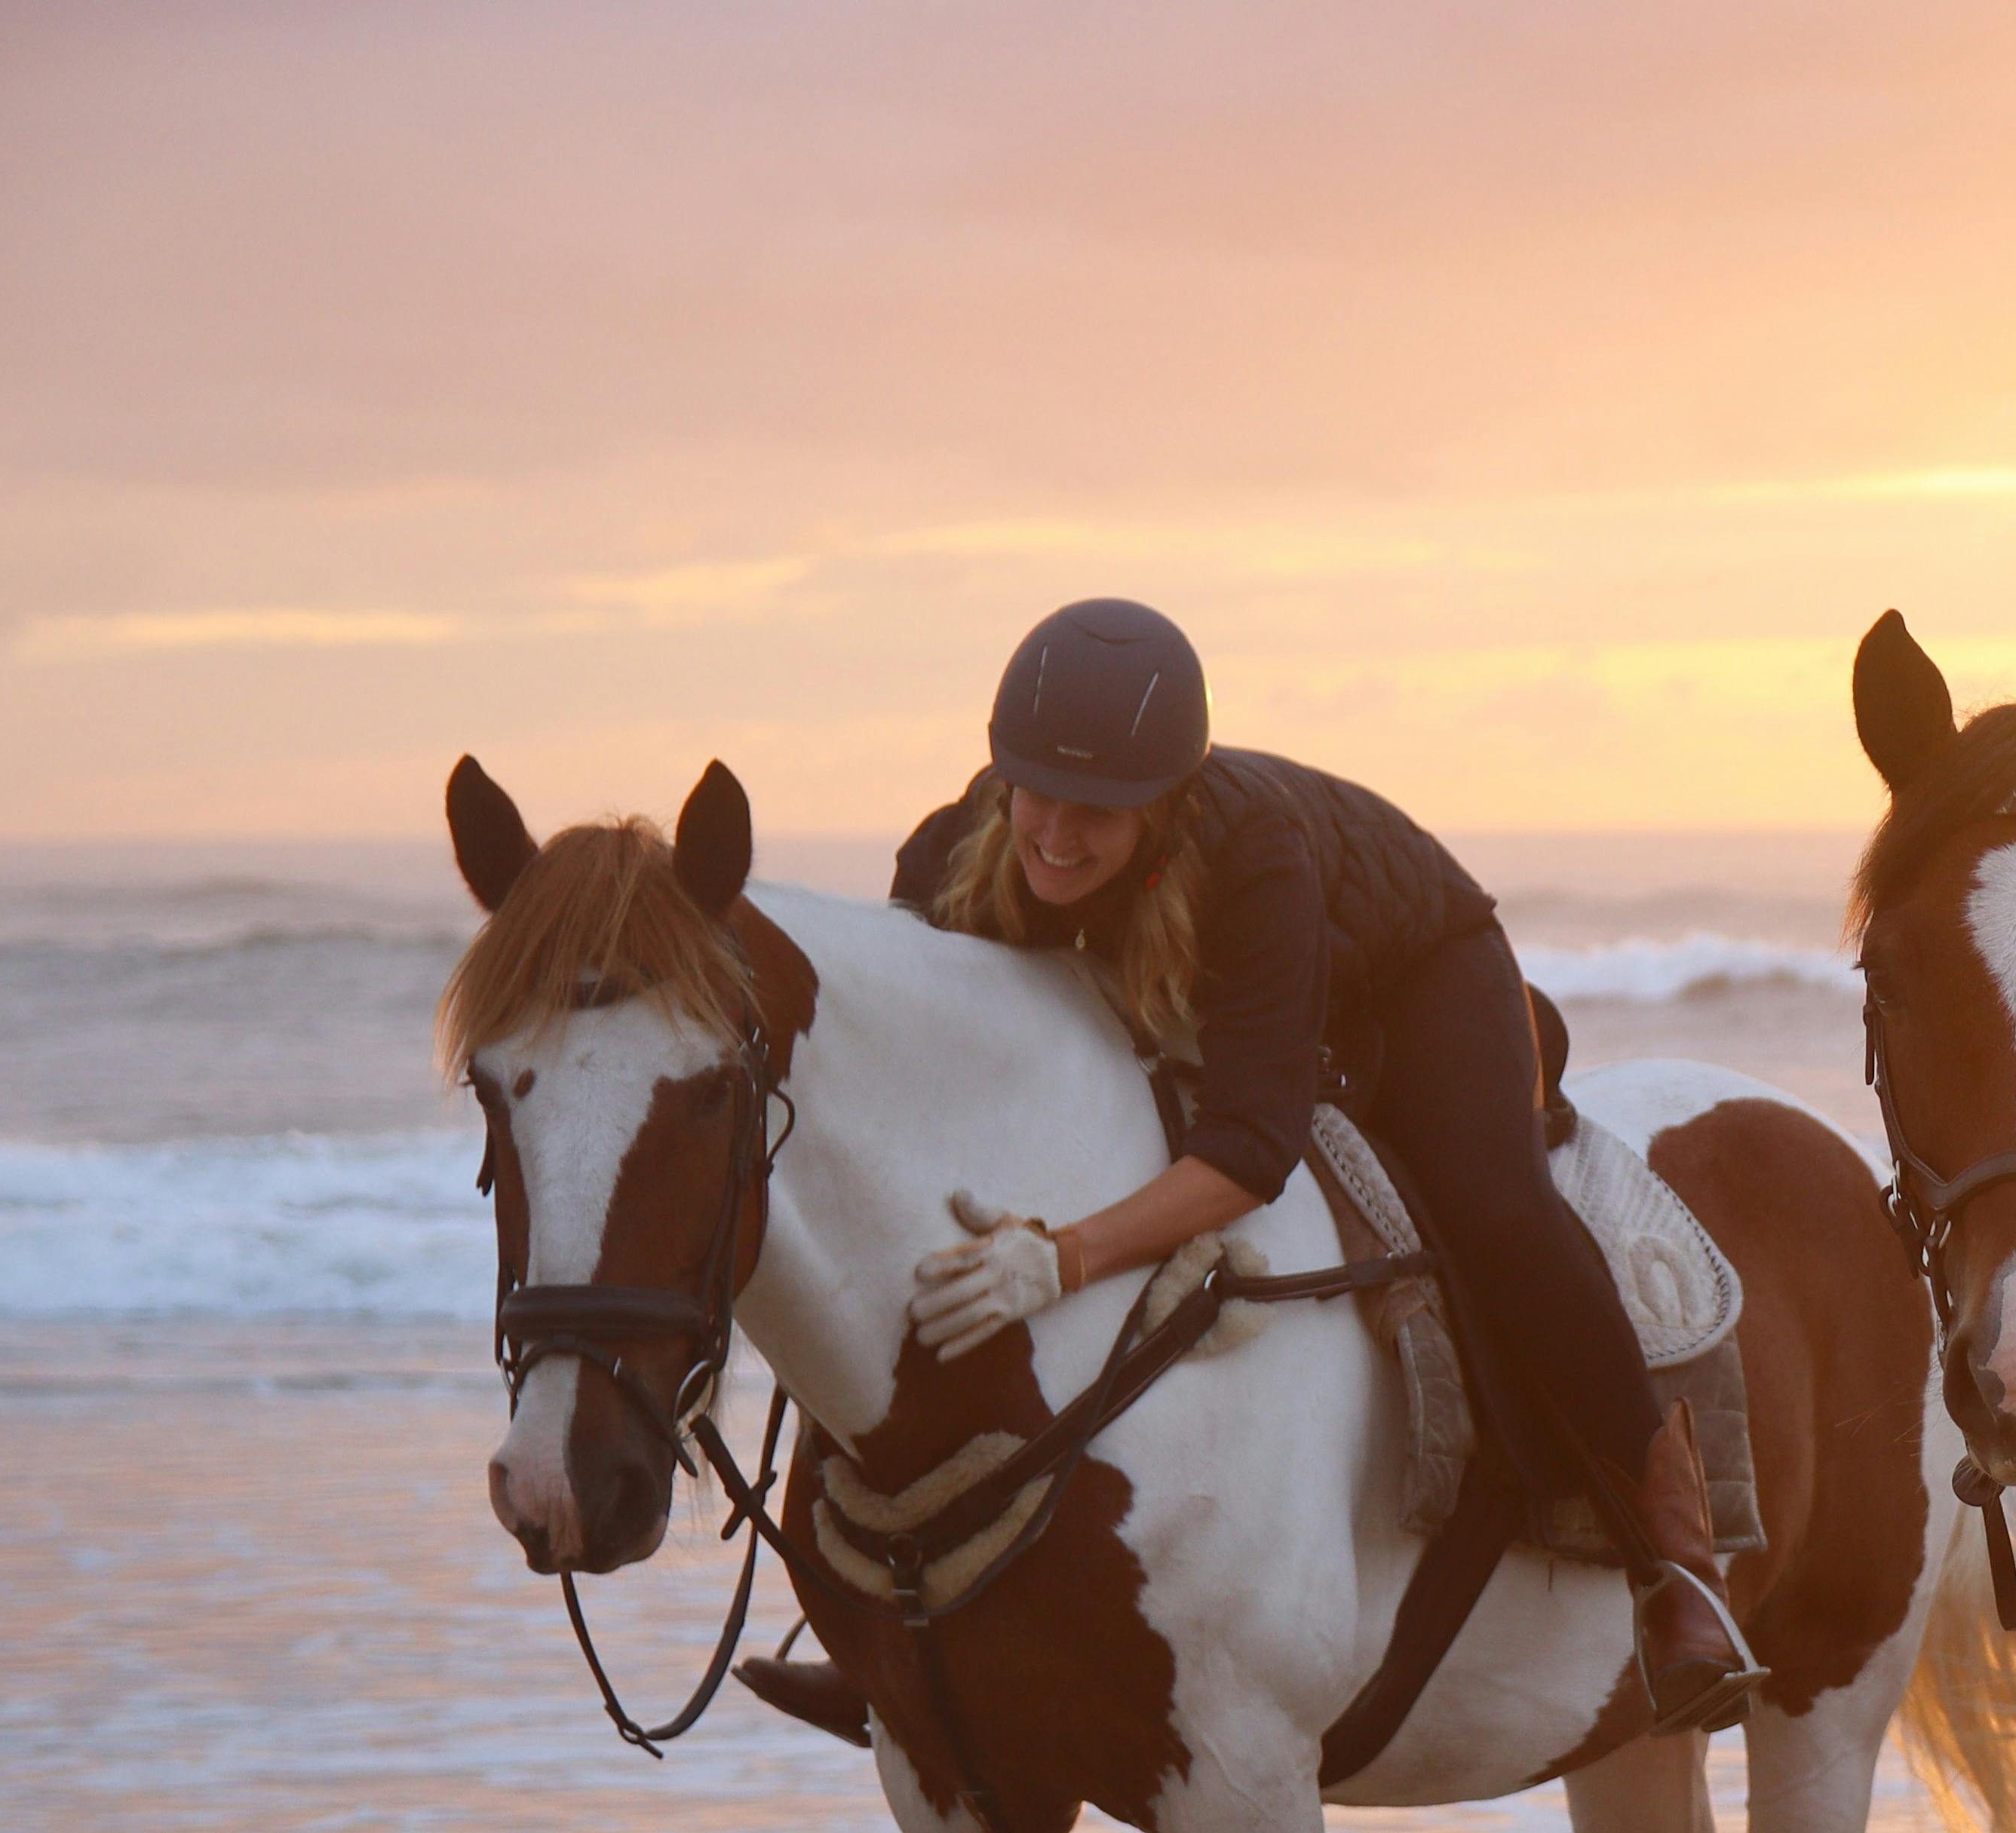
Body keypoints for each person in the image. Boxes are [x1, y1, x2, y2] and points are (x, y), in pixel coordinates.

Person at [738, 597, 1762, 1746]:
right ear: (1000, 775)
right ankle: (879, 1631)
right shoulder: (952, 853)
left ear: (1165, 809)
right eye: (1038, 796)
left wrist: (1062, 1258)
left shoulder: (1254, 859)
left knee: (1497, 1209)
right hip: (1219, 987)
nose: (1059, 836)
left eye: (1101, 812)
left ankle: (1676, 1569)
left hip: (1411, 970)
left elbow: (1245, 1155)